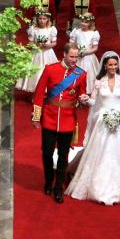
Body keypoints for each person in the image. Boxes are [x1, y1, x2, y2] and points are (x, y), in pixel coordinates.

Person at [66, 52, 120, 205]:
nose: (113, 67)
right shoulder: (99, 82)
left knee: (119, 152)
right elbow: (94, 101)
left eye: (115, 64)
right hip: (103, 121)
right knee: (100, 152)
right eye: (110, 65)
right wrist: (87, 100)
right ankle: (98, 188)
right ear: (105, 66)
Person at [31, 43, 90, 203]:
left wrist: (83, 98)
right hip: (49, 118)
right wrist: (36, 117)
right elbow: (38, 93)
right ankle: (49, 180)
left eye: (76, 57)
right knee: (47, 153)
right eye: (72, 56)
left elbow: (82, 93)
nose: (74, 60)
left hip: (68, 119)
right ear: (64, 55)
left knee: (63, 156)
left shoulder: (81, 74)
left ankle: (58, 187)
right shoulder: (50, 69)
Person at [15, 11, 59, 93]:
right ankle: (36, 90)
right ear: (37, 19)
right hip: (37, 53)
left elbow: (54, 43)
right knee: (37, 71)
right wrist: (37, 44)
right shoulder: (34, 29)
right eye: (40, 19)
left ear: (48, 20)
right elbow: (30, 42)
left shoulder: (51, 29)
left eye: (44, 19)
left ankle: (47, 91)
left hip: (47, 53)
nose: (42, 21)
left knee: (47, 71)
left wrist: (48, 45)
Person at [69, 13, 101, 94]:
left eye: (86, 22)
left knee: (88, 74)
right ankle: (74, 88)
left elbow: (95, 48)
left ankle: (88, 89)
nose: (83, 23)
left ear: (90, 23)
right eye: (82, 21)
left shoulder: (93, 33)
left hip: (88, 57)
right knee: (75, 72)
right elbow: (71, 44)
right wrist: (76, 51)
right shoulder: (76, 32)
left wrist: (85, 52)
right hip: (77, 56)